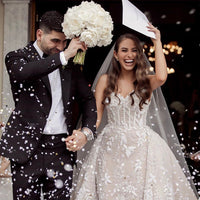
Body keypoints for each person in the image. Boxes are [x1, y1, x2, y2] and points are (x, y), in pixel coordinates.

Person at [71, 23, 198, 199]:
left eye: (134, 50)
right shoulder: (104, 81)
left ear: (139, 55)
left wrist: (157, 42)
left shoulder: (146, 81)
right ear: (116, 55)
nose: (129, 55)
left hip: (143, 148)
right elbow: (96, 117)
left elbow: (161, 77)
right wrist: (83, 134)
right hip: (110, 148)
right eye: (124, 50)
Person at [0, 11, 97, 200]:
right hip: (26, 150)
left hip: (61, 150)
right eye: (55, 41)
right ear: (39, 34)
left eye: (64, 42)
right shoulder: (17, 58)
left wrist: (86, 132)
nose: (60, 47)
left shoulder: (70, 64)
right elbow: (23, 73)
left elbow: (88, 100)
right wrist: (65, 56)